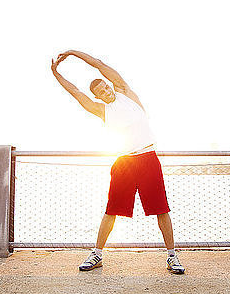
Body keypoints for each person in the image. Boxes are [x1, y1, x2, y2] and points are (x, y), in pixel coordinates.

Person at [51, 50, 185, 274]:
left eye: (105, 86)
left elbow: (98, 63)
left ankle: (172, 256)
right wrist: (56, 74)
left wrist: (73, 53)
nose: (105, 91)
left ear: (109, 85)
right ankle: (97, 254)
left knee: (162, 209)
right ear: (98, 97)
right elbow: (75, 93)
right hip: (124, 163)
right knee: (111, 211)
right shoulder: (102, 110)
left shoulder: (125, 92)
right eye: (99, 92)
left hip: (148, 158)